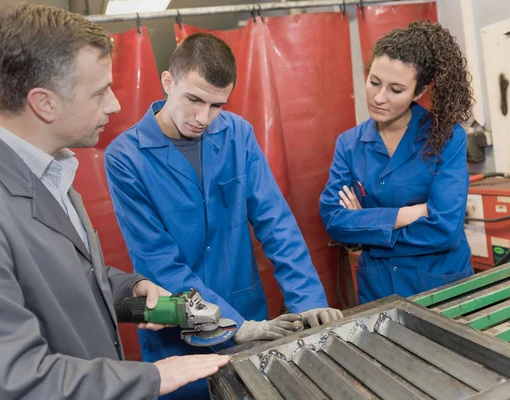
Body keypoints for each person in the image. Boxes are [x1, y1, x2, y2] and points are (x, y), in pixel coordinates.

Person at [0, 4, 229, 399]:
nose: (114, 105)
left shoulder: (50, 169)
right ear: (44, 103)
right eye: (99, 92)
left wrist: (130, 286)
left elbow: (61, 276)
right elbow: (15, 379)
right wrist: (152, 378)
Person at [105, 32, 343, 399]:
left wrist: (309, 302)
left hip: (253, 321)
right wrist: (232, 324)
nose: (204, 117)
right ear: (168, 81)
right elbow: (158, 262)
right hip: (180, 332)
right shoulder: (125, 158)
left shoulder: (238, 134)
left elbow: (276, 224)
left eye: (217, 105)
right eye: (194, 99)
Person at [320, 21, 474, 304]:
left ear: (418, 92)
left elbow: (445, 230)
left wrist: (369, 235)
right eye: (374, 82)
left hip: (440, 286)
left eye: (396, 89)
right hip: (377, 290)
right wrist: (406, 215)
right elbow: (333, 220)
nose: (379, 98)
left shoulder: (448, 138)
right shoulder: (348, 144)